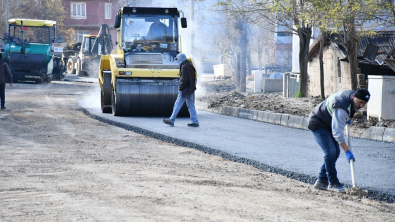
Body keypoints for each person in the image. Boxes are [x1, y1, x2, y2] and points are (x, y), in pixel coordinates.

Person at [308, 88, 370, 193]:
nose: (361, 106)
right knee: (330, 152)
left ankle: (321, 180)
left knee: (335, 152)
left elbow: (344, 114)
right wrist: (347, 151)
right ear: (354, 97)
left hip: (329, 123)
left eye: (364, 103)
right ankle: (333, 182)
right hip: (318, 122)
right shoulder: (342, 107)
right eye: (360, 102)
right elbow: (337, 132)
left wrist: (347, 118)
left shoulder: (352, 97)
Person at [163, 53, 199, 127]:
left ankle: (171, 120)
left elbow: (184, 80)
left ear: (180, 59)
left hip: (185, 90)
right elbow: (194, 77)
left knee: (177, 104)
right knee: (191, 105)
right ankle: (195, 122)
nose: (177, 61)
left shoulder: (184, 66)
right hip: (191, 89)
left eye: (178, 59)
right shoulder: (190, 65)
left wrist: (180, 88)